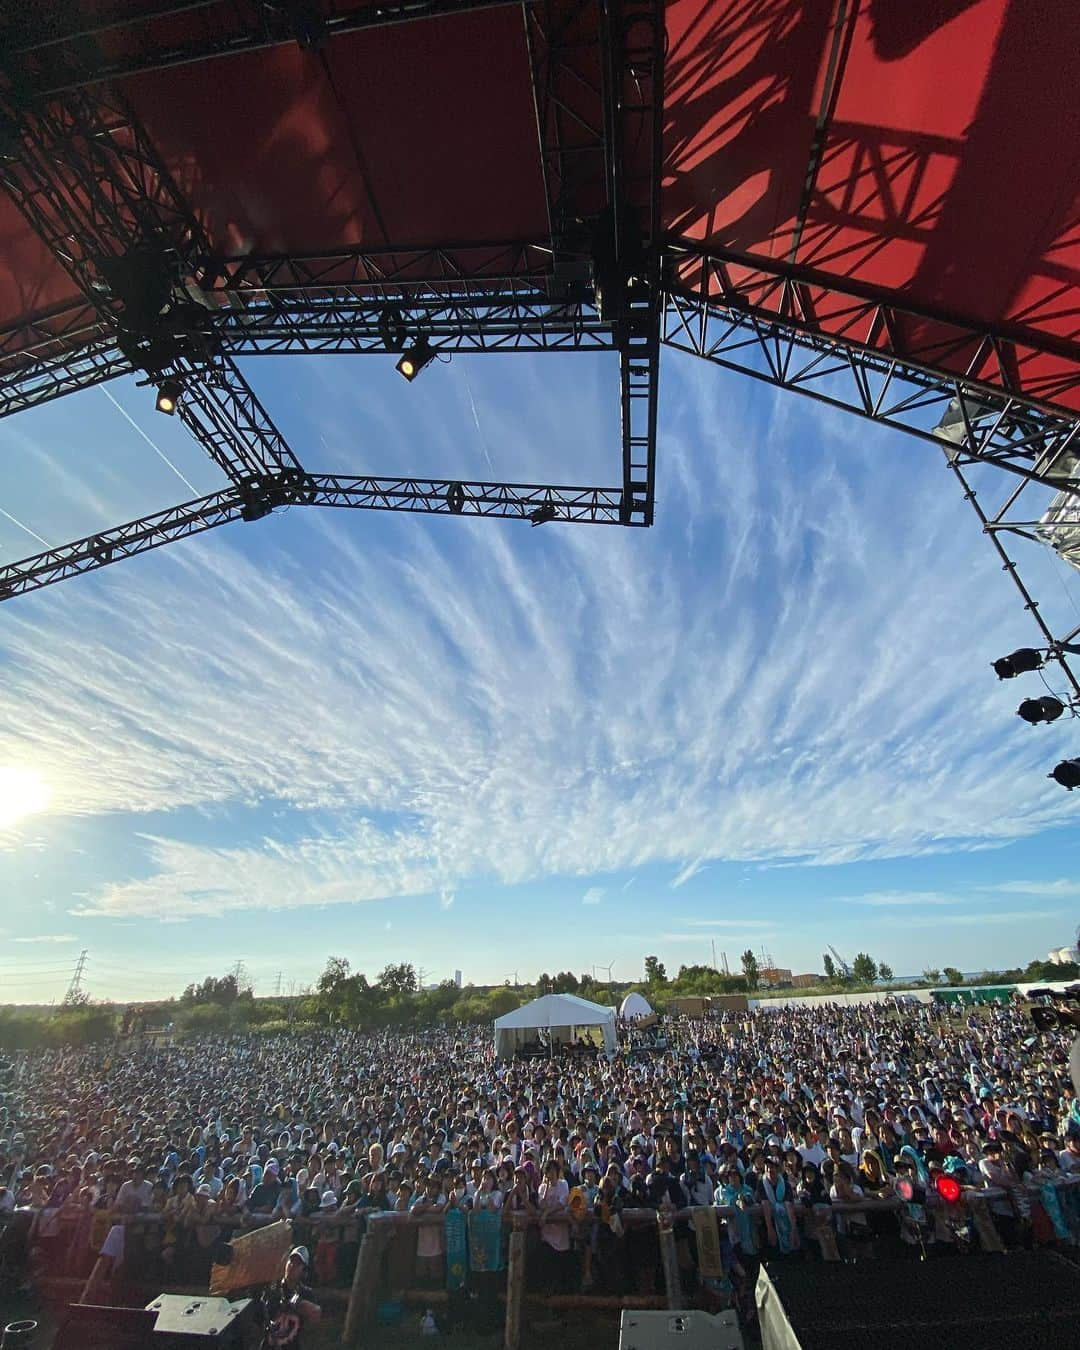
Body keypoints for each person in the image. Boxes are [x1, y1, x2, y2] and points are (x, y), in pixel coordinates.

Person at [262, 1246, 321, 1348]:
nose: (292, 1265)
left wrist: (300, 1304)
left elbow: (316, 1316)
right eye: (291, 1261)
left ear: (304, 1270)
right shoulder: (272, 1289)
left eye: (298, 1264)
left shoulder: (306, 1293)